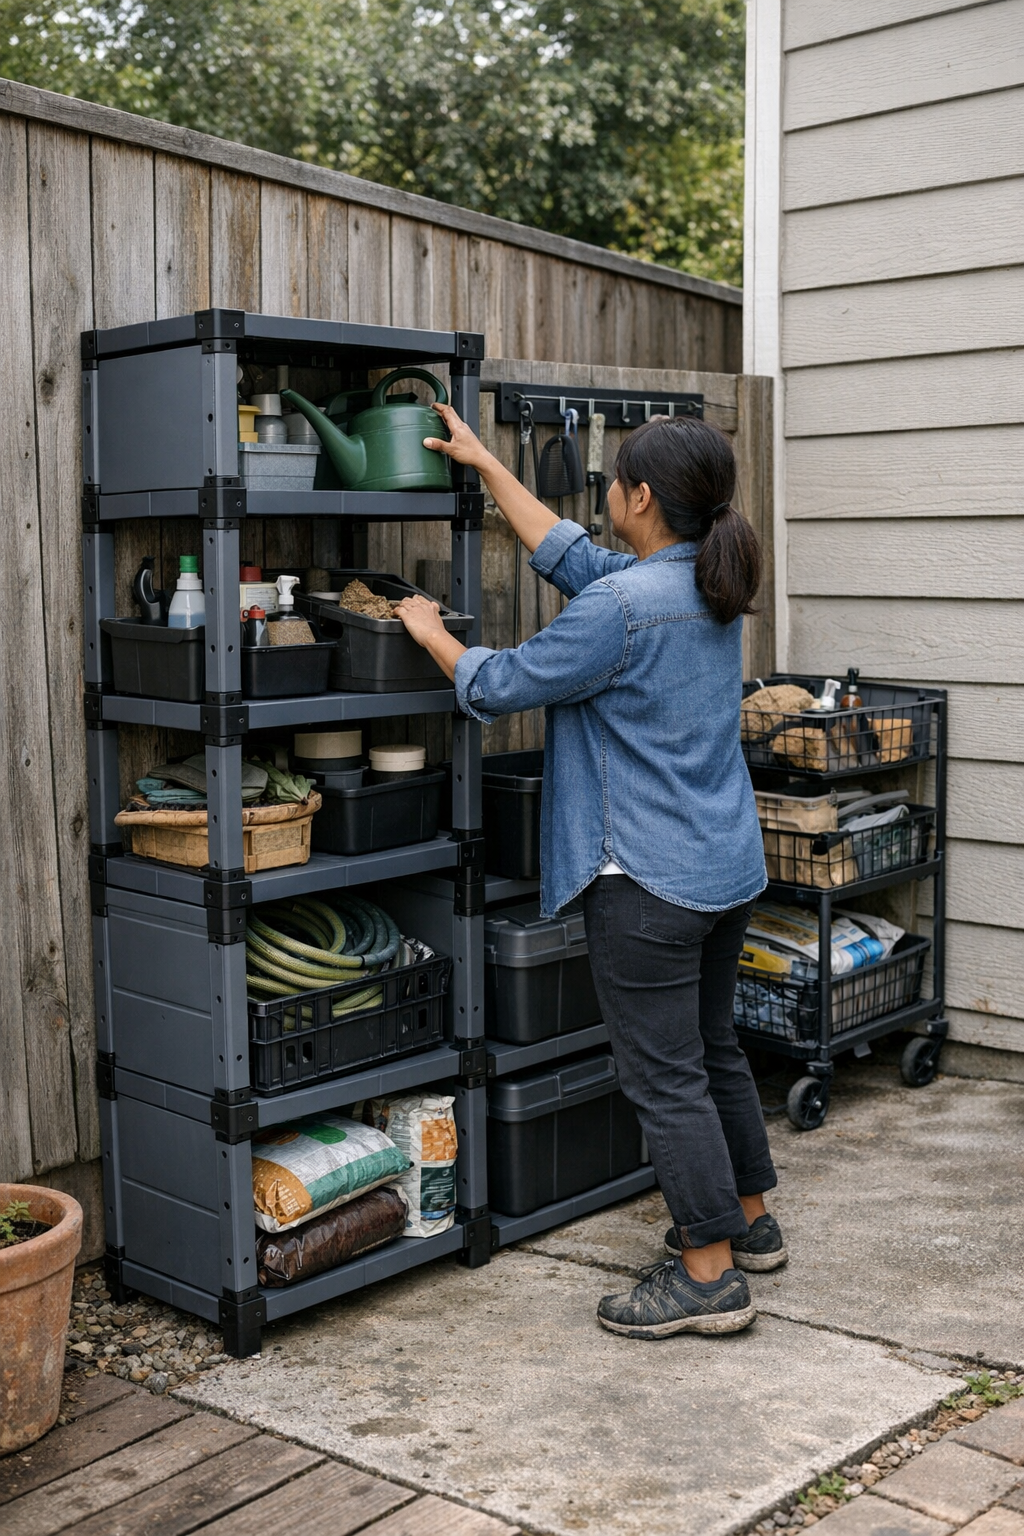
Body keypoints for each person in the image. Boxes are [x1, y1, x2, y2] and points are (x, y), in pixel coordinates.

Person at [394, 401, 785, 1340]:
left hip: (645, 877)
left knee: (665, 1077)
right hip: (722, 864)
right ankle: (753, 1225)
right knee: (713, 1048)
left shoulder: (622, 609)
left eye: (613, 477)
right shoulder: (702, 580)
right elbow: (568, 549)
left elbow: (496, 684)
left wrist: (425, 630)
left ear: (641, 496)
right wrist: (488, 464)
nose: (603, 490)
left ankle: (706, 1275)